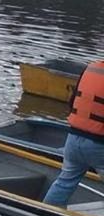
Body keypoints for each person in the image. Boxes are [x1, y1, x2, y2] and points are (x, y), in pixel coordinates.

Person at [43, 60, 104, 207]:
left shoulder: (91, 68)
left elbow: (72, 102)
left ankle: (47, 214)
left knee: (64, 182)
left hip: (73, 139)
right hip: (99, 146)